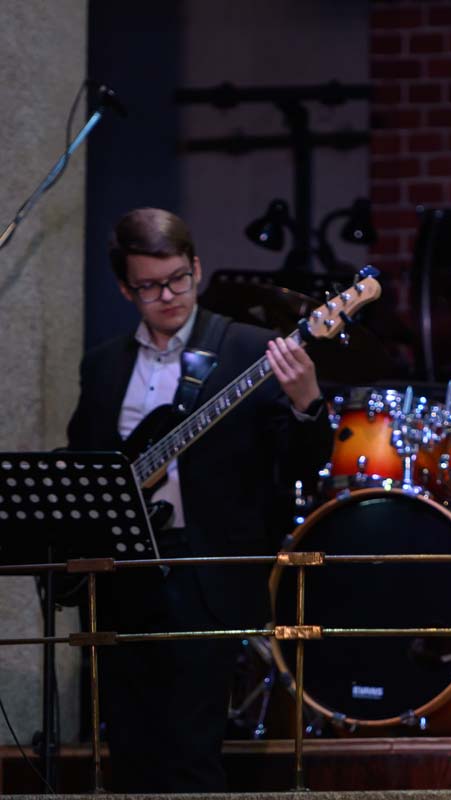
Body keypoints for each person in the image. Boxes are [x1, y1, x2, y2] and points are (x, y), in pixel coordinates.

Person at [66, 208, 333, 792]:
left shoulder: (248, 348)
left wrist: (308, 402)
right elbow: (85, 462)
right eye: (149, 286)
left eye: (178, 279)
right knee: (129, 749)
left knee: (193, 752)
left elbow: (301, 465)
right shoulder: (103, 364)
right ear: (125, 288)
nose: (168, 296)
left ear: (196, 268)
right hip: (123, 577)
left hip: (206, 572)